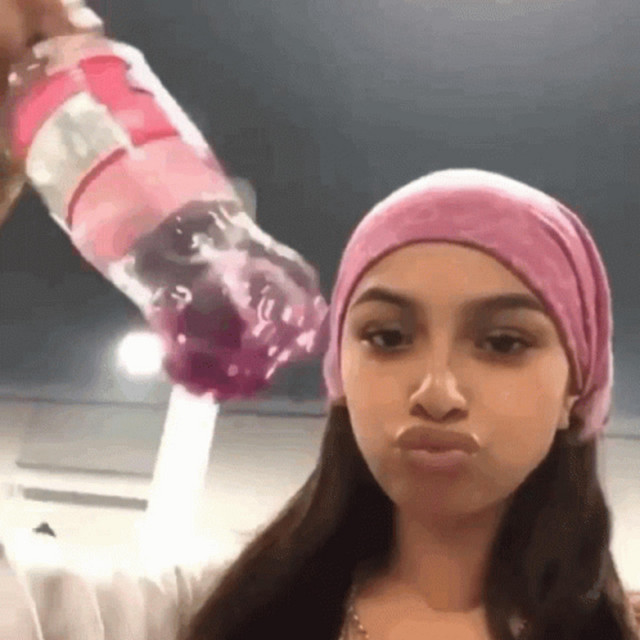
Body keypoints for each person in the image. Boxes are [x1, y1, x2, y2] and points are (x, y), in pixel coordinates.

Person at [0, 2, 639, 639]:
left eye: (502, 343)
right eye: (387, 337)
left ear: (577, 388)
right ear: (340, 377)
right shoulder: (204, 615)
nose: (436, 393)